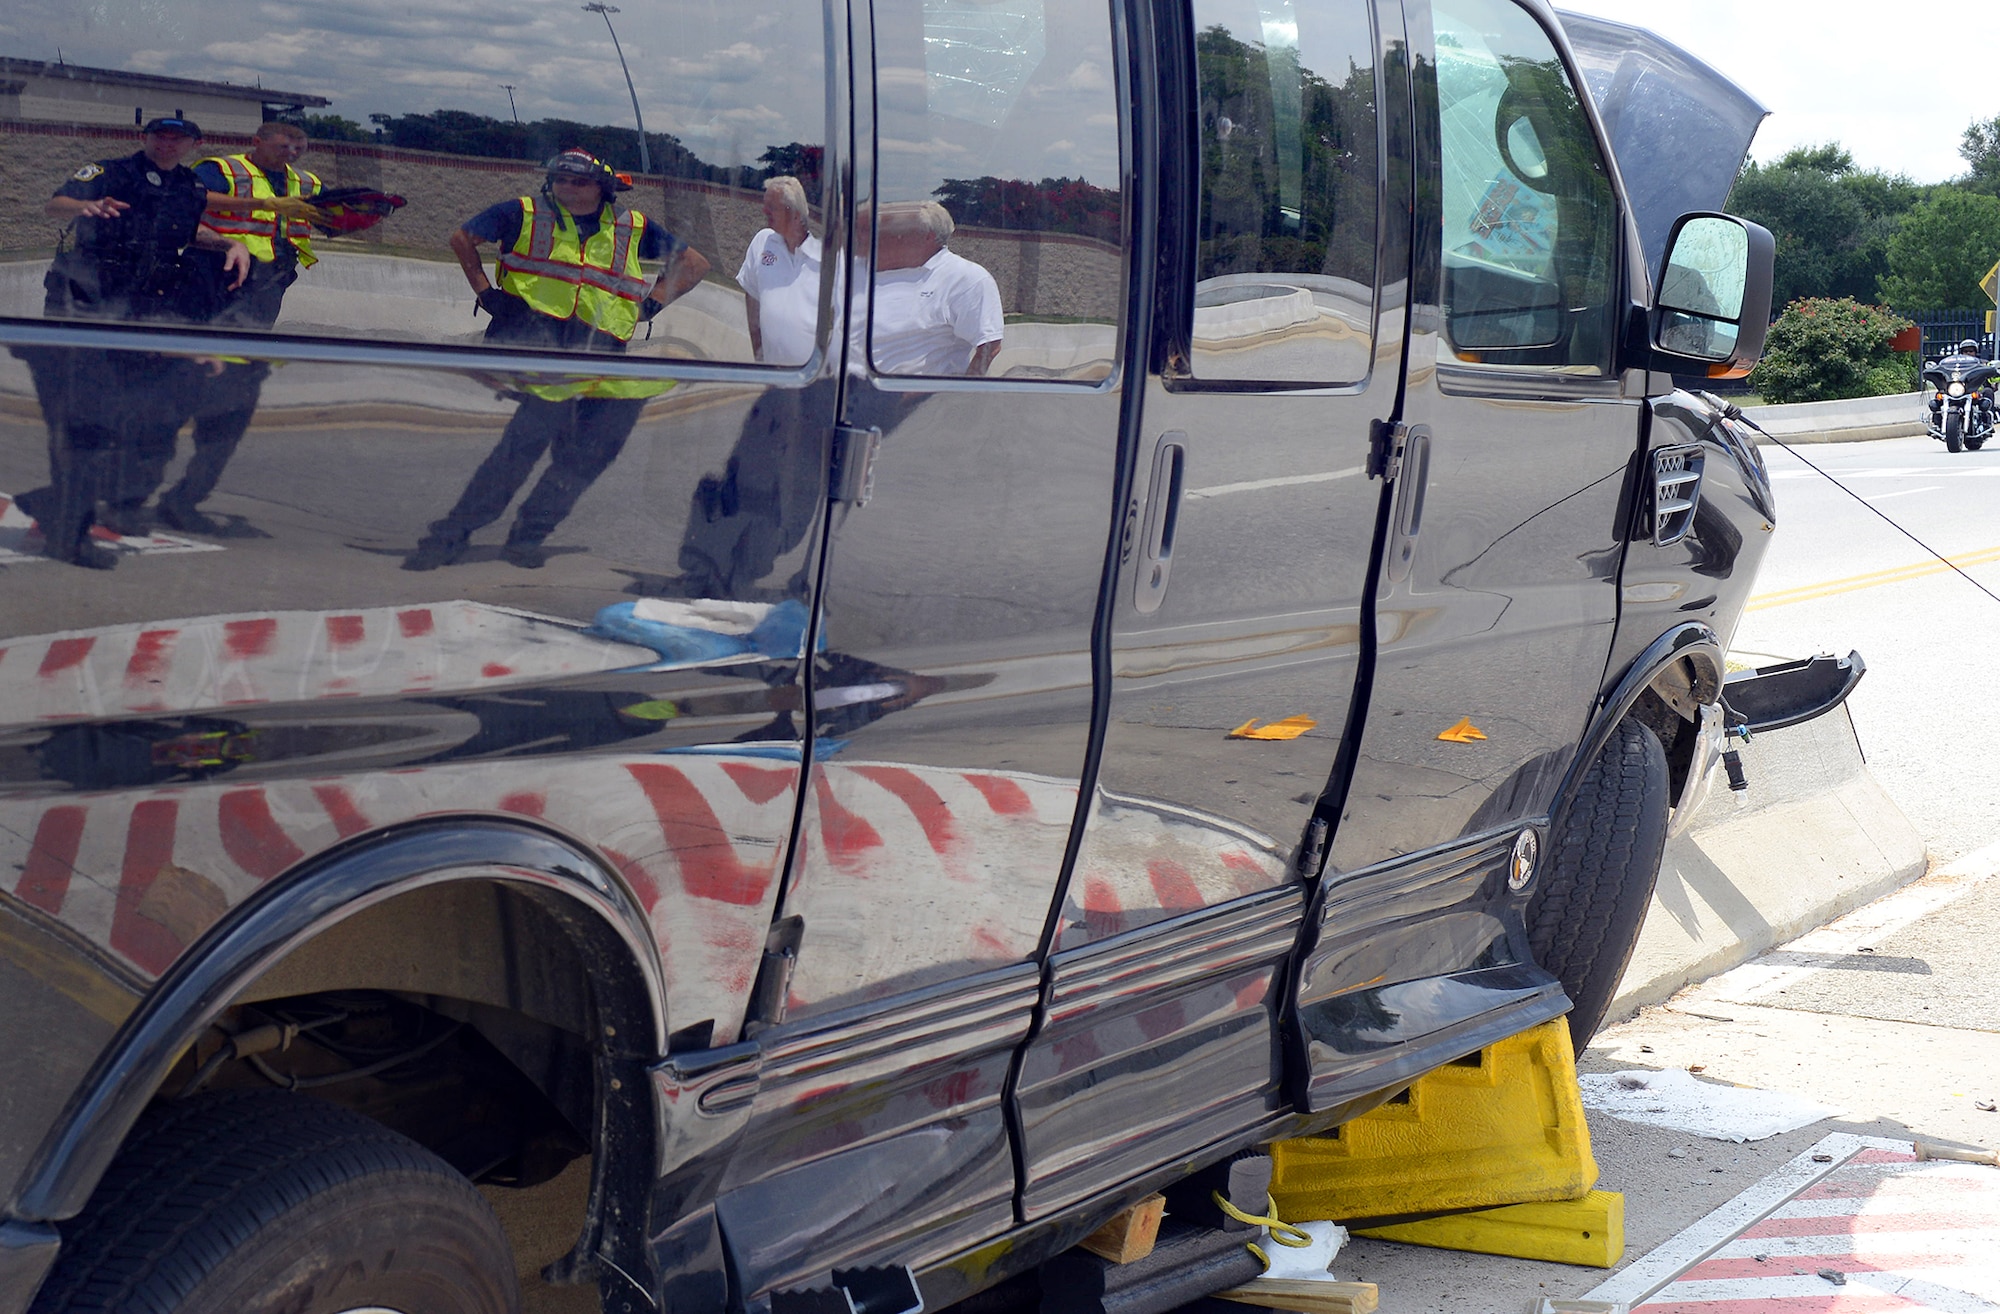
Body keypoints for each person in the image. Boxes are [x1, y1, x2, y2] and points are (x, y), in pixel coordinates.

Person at [404, 150, 710, 571]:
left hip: (604, 358)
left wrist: (652, 306)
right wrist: (484, 291)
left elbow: (694, 264)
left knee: (587, 456)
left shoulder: (631, 226)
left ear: (601, 188)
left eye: (578, 182)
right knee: (521, 448)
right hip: (540, 351)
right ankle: (450, 534)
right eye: (560, 179)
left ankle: (529, 536)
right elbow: (462, 238)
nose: (567, 187)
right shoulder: (522, 212)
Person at [12, 117, 250, 568]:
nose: (166, 143)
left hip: (141, 310)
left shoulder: (189, 188)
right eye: (159, 135)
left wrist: (226, 243)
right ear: (144, 138)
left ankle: (61, 505)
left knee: (138, 419)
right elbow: (56, 205)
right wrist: (86, 207)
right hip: (85, 304)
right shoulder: (111, 173)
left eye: (177, 137)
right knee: (88, 418)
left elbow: (186, 231)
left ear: (194, 145)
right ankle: (67, 529)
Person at [116, 122, 327, 537]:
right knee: (170, 405)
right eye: (283, 145)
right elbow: (187, 201)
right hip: (208, 296)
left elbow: (324, 222)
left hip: (259, 309)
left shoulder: (307, 182)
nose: (292, 153)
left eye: (299, 146)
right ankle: (127, 500)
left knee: (230, 417)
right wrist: (266, 209)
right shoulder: (223, 170)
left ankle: (184, 501)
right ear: (258, 141)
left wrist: (359, 214)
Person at [853, 200, 1002, 377]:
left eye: (902, 229)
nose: (892, 234)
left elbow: (990, 346)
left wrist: (962, 393)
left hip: (921, 400)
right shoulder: (871, 269)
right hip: (850, 394)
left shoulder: (966, 278)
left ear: (928, 236)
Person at [739, 175, 822, 366]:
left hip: (812, 381)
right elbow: (752, 297)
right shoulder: (762, 242)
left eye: (772, 207)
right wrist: (759, 359)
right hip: (772, 377)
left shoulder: (824, 261)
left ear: (794, 214)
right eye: (765, 205)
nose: (764, 211)